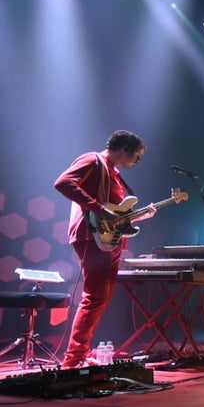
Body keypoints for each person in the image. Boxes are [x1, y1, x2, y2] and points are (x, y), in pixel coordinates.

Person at [54, 130, 154, 368]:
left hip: (109, 239)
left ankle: (81, 352)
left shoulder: (114, 173)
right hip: (91, 236)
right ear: (124, 149)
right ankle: (74, 358)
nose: (137, 162)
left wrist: (139, 216)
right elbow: (63, 183)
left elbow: (114, 215)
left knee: (100, 298)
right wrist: (98, 208)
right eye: (136, 156)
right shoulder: (92, 160)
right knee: (94, 296)